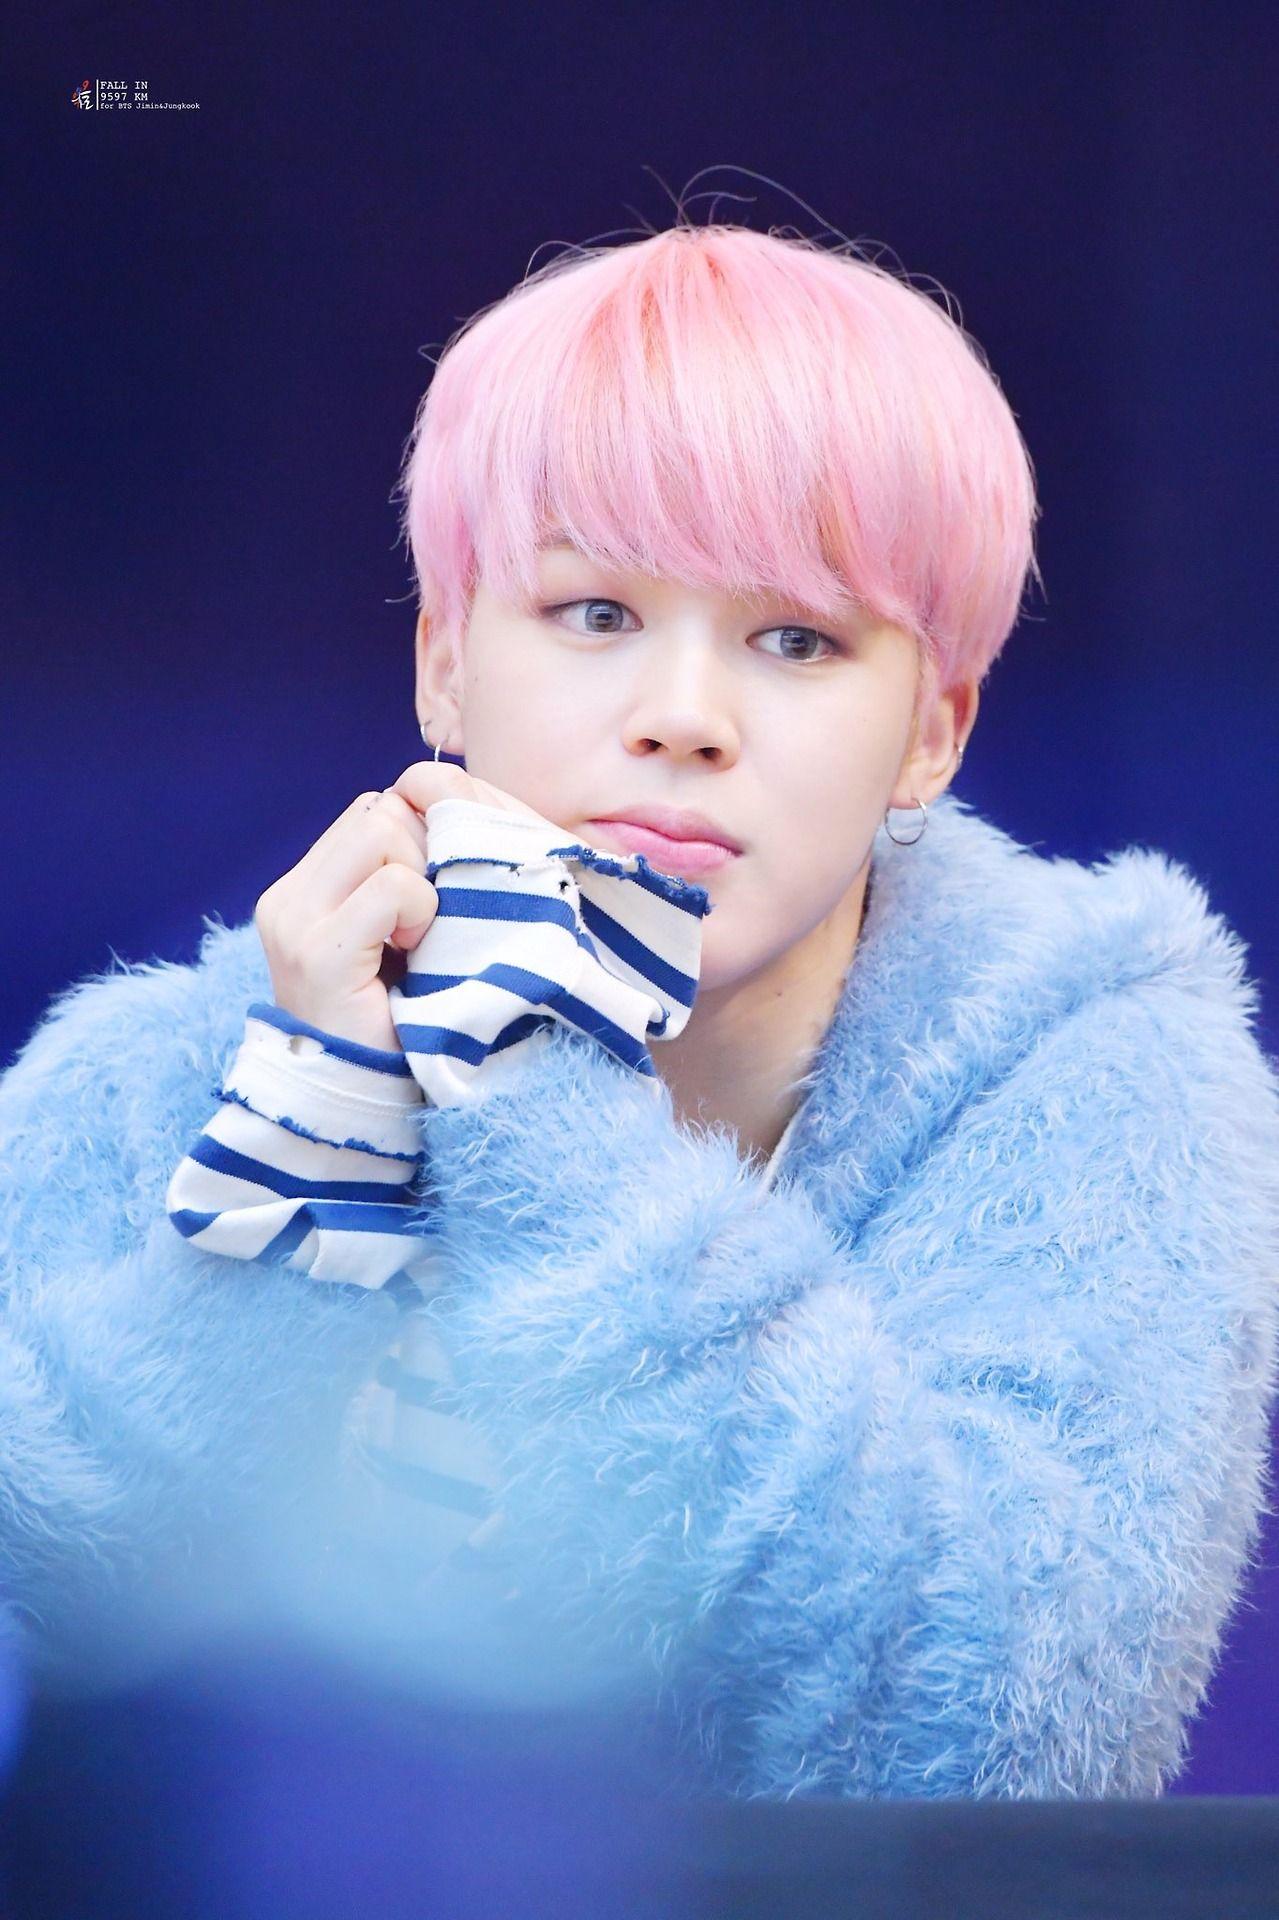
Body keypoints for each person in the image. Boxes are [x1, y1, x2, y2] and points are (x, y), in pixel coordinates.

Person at [2, 219, 1277, 1800]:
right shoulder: (169, 1074)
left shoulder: (1105, 1082)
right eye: (597, 613)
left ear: (932, 737)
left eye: (796, 639)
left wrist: (526, 1084)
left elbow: (1004, 1754)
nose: (683, 718)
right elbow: (59, 1662)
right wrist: (311, 1141)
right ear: (445, 663)